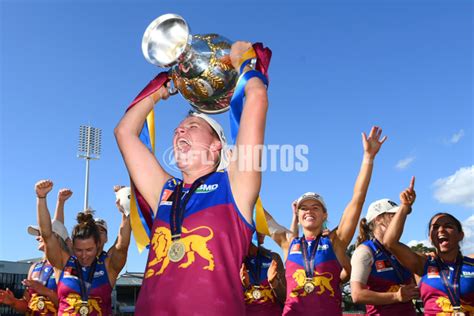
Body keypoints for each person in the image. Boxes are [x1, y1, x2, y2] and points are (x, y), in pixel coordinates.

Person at [114, 41, 269, 315]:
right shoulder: (165, 191)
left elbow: (256, 98)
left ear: (216, 145)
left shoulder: (234, 186)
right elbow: (124, 132)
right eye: (176, 130)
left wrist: (244, 62)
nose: (179, 133)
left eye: (192, 127)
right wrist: (160, 90)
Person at [264, 126, 386, 315]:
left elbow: (357, 200)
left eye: (315, 207)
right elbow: (258, 213)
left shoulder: (335, 242)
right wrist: (234, 174)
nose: (309, 211)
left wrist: (368, 158)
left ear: (324, 215)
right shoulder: (288, 242)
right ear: (298, 214)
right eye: (304, 208)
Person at [35, 179, 131, 315]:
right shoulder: (63, 263)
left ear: (98, 244)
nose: (84, 255)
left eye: (89, 250)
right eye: (79, 250)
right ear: (72, 245)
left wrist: (125, 213)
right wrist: (41, 198)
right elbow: (47, 235)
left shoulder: (108, 266)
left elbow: (122, 246)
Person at [383, 177, 474, 314]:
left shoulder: (471, 263)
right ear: (430, 238)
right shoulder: (423, 263)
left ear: (460, 235)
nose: (441, 230)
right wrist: (405, 206)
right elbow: (390, 242)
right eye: (435, 227)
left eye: (448, 226)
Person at [0, 187, 72, 315]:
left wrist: (46, 292)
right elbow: (27, 305)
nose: (38, 237)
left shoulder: (66, 267)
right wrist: (13, 302)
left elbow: (71, 306)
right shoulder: (34, 268)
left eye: (41, 234)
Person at [350, 198, 419, 315]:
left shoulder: (401, 250)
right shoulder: (365, 251)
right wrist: (396, 296)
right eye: (393, 216)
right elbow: (357, 295)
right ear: (378, 220)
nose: (399, 220)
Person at [241, 233, 286, 315]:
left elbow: (285, 298)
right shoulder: (235, 260)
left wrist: (274, 283)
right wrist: (244, 286)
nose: (262, 232)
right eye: (257, 227)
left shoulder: (273, 258)